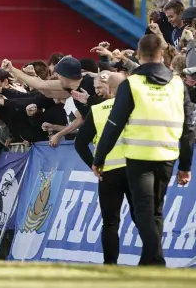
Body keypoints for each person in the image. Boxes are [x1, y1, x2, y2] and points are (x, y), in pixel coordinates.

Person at [93, 34, 195, 266]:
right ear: (161, 54)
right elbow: (189, 127)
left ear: (139, 55)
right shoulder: (178, 84)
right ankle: (148, 262)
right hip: (167, 157)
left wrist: (99, 158)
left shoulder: (132, 84)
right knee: (155, 211)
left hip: (139, 158)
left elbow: (114, 124)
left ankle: (156, 259)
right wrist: (186, 166)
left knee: (144, 211)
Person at [74, 72, 135, 265]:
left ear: (110, 87)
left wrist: (93, 165)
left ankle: (110, 265)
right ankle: (152, 261)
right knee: (144, 218)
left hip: (108, 172)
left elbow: (80, 143)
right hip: (136, 169)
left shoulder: (98, 109)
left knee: (110, 222)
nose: (98, 92)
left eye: (100, 87)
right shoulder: (136, 106)